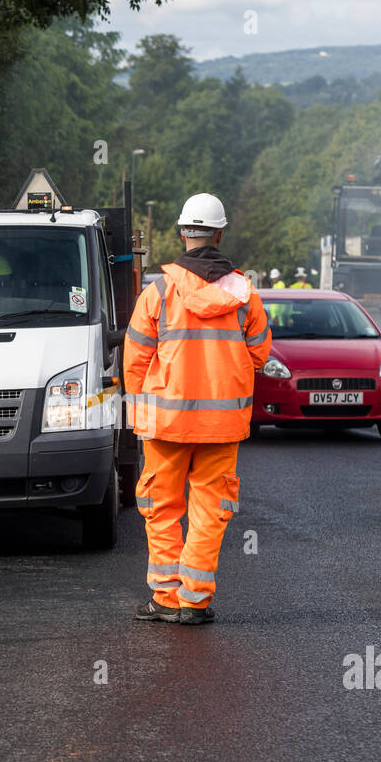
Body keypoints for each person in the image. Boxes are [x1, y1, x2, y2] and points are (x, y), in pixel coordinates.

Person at [123, 192, 271, 624]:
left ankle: (165, 599)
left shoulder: (159, 292)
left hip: (165, 422)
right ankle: (195, 602)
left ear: (183, 232)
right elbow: (259, 355)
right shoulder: (244, 295)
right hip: (221, 425)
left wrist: (141, 411)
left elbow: (134, 359)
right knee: (210, 513)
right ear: (220, 233)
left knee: (162, 510)